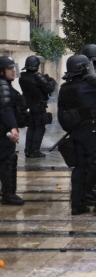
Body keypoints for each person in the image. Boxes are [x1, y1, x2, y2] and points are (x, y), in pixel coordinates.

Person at [57, 54, 96, 216]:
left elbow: (61, 115)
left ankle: (77, 204)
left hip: (76, 132)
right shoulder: (89, 85)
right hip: (92, 130)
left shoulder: (64, 88)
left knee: (80, 166)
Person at [18, 55, 57, 158]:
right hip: (39, 106)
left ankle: (28, 150)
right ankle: (35, 150)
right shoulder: (37, 76)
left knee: (31, 128)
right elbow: (49, 88)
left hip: (30, 105)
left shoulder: (23, 77)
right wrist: (49, 81)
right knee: (39, 128)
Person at [0, 56, 26, 206]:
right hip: (3, 132)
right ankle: (8, 195)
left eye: (13, 68)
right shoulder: (2, 86)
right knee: (7, 161)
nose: (13, 71)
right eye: (9, 69)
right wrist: (12, 127)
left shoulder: (6, 85)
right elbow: (5, 108)